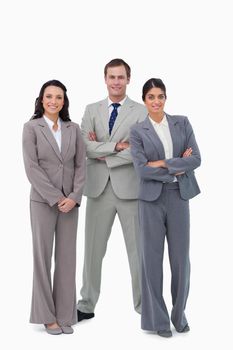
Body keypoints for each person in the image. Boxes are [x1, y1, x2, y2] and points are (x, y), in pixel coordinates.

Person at [130, 78, 201, 338]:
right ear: (145, 100)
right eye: (151, 97)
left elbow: (195, 159)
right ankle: (158, 320)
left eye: (160, 96)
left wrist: (160, 163)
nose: (156, 101)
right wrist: (175, 166)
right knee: (151, 260)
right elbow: (141, 170)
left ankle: (178, 315)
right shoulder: (137, 131)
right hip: (150, 200)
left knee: (181, 259)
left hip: (179, 198)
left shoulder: (182, 122)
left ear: (166, 98)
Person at [77, 58, 146, 321]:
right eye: (112, 77)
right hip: (97, 189)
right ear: (104, 79)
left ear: (129, 79)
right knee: (92, 251)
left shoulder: (140, 112)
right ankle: (86, 304)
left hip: (130, 190)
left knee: (138, 252)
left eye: (121, 77)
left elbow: (140, 151)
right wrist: (117, 146)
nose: (116, 82)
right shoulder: (91, 109)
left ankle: (143, 306)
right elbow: (84, 146)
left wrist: (102, 150)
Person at [22, 80, 86, 335]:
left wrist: (73, 196)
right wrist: (56, 197)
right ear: (41, 99)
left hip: (71, 203)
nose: (53, 101)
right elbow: (31, 167)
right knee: (42, 257)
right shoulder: (31, 128)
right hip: (43, 202)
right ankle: (47, 316)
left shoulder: (74, 128)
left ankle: (64, 314)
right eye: (49, 96)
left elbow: (81, 166)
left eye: (58, 97)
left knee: (67, 259)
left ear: (64, 101)